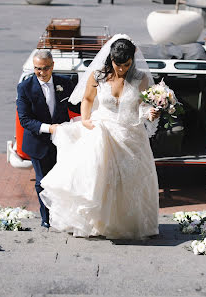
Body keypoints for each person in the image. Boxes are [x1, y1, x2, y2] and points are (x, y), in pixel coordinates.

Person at [39, 34, 160, 239]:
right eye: (117, 64)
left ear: (132, 60)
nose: (121, 69)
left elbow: (145, 105)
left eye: (126, 65)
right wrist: (85, 120)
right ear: (110, 59)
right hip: (102, 128)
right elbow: (87, 99)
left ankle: (126, 224)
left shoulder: (142, 79)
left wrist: (150, 113)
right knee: (98, 177)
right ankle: (98, 223)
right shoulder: (98, 75)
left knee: (130, 182)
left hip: (131, 134)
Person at [16, 50, 80, 229]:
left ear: (52, 66)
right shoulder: (25, 88)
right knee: (42, 181)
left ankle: (63, 214)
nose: (41, 73)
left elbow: (77, 105)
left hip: (63, 142)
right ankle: (46, 218)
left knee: (63, 180)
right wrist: (49, 128)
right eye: (37, 69)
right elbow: (25, 119)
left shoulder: (65, 83)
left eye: (45, 68)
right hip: (38, 142)